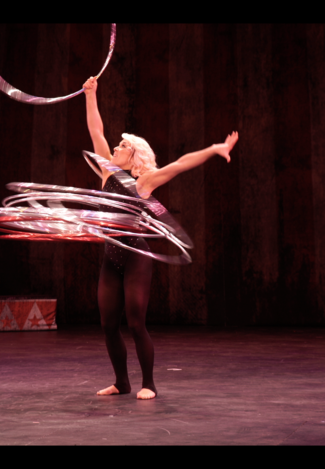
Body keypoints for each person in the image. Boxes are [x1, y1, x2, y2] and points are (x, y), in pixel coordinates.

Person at [83, 76, 238, 399]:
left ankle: (148, 385)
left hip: (136, 257)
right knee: (108, 324)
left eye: (123, 146)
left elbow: (180, 164)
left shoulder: (144, 182)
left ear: (134, 155)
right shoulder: (107, 171)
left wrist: (215, 149)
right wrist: (90, 93)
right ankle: (121, 383)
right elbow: (96, 131)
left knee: (135, 323)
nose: (115, 147)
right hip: (111, 257)